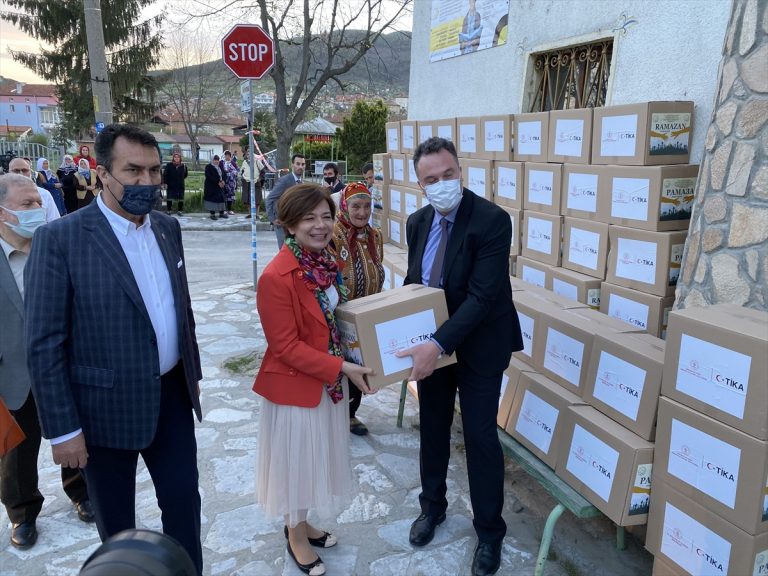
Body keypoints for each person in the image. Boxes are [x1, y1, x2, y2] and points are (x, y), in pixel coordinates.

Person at [24, 124, 204, 575]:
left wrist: (192, 377)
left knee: (184, 505)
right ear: (103, 173)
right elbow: (44, 343)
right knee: (117, 524)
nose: (147, 181)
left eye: (154, 171)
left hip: (171, 397)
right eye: (133, 171)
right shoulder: (60, 239)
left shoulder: (167, 227)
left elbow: (180, 309)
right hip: (102, 411)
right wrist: (63, 430)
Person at [396, 137, 522, 576]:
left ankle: (489, 532)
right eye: (431, 179)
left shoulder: (491, 220)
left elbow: (483, 297)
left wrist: (436, 344)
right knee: (431, 426)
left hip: (480, 345)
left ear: (460, 171)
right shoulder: (417, 222)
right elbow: (416, 283)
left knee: (480, 436)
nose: (442, 183)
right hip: (433, 347)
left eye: (448, 174)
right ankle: (431, 507)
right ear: (420, 185)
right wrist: (398, 334)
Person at [254, 183, 373, 576]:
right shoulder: (277, 276)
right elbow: (285, 346)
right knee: (297, 466)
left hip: (325, 382)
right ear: (289, 224)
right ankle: (295, 535)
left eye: (325, 216)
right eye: (309, 218)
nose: (320, 225)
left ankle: (302, 522)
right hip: (296, 387)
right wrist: (341, 367)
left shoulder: (323, 262)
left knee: (310, 460)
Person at [0, 174, 94, 550]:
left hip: (62, 366)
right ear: (2, 213)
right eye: (27, 205)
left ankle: (81, 492)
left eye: (39, 203)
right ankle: (22, 513)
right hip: (12, 373)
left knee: (72, 433)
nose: (37, 211)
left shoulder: (56, 248)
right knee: (16, 454)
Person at [329, 182, 384, 436]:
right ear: (344, 206)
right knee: (338, 366)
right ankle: (331, 415)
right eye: (356, 206)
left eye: (367, 206)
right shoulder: (333, 234)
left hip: (365, 316)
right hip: (337, 315)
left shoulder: (375, 237)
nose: (362, 212)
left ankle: (350, 414)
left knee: (359, 365)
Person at [265, 153, 305, 248]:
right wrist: (272, 219)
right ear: (292, 165)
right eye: (298, 164)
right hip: (282, 224)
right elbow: (270, 198)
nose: (300, 167)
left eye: (303, 164)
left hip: (295, 224)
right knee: (285, 251)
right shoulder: (284, 181)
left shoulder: (301, 183)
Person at [8, 157, 62, 223]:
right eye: (16, 171)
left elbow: (54, 221)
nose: (21, 174)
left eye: (25, 170)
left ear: (30, 172)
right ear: (8, 172)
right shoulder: (3, 194)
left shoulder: (44, 194)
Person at [240, 146, 266, 220]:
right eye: (248, 151)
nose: (249, 153)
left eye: (250, 151)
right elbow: (242, 171)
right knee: (247, 199)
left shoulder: (257, 161)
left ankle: (257, 214)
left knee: (257, 199)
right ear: (246, 153)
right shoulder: (244, 162)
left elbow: (263, 171)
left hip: (255, 182)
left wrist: (260, 178)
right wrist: (243, 178)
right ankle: (250, 214)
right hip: (246, 182)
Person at [204, 155, 227, 220]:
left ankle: (221, 213)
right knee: (212, 200)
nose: (216, 161)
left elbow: (224, 174)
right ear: (212, 160)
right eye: (215, 160)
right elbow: (208, 176)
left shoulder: (220, 167)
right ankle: (212, 214)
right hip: (211, 187)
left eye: (217, 160)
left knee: (221, 199)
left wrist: (223, 181)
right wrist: (218, 182)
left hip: (220, 186)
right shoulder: (208, 167)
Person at [221, 150, 238, 215]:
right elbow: (219, 170)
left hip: (231, 183)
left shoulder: (233, 163)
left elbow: (237, 171)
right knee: (224, 195)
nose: (227, 157)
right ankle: (224, 209)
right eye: (226, 155)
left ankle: (229, 209)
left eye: (228, 155)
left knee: (230, 196)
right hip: (224, 182)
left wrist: (231, 173)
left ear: (230, 156)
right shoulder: (222, 163)